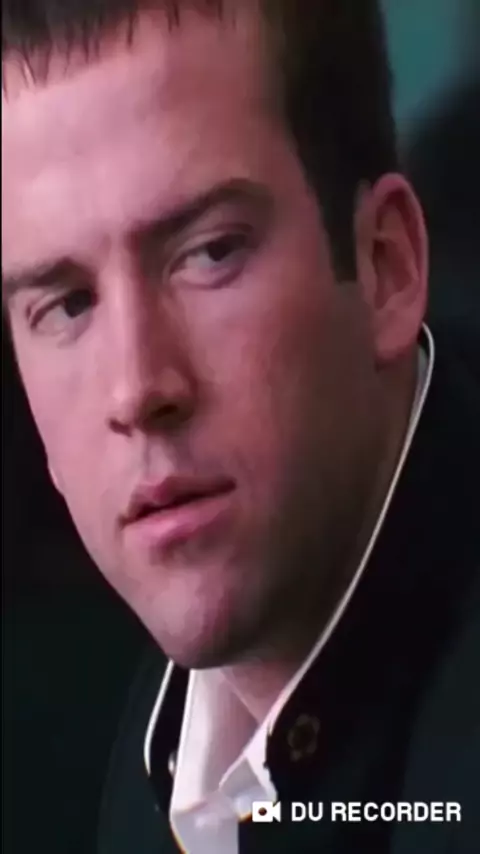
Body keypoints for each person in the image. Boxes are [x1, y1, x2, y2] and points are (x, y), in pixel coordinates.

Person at [2, 2, 478, 852]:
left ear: (387, 266)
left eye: (211, 252)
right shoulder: (160, 733)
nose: (137, 389)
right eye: (67, 304)